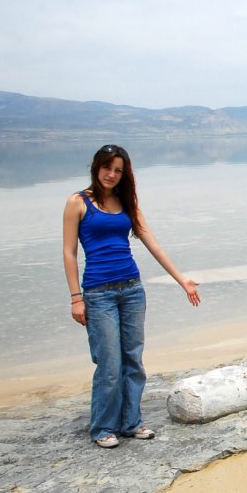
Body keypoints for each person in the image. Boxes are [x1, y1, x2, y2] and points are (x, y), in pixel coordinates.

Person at [62, 144, 201, 448]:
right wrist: (76, 297)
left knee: (133, 361)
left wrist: (182, 280)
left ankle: (130, 423)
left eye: (118, 170)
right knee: (109, 364)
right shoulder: (78, 202)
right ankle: (102, 428)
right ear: (96, 168)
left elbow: (152, 242)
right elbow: (69, 253)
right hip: (98, 294)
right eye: (106, 168)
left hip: (132, 290)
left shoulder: (127, 203)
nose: (111, 175)